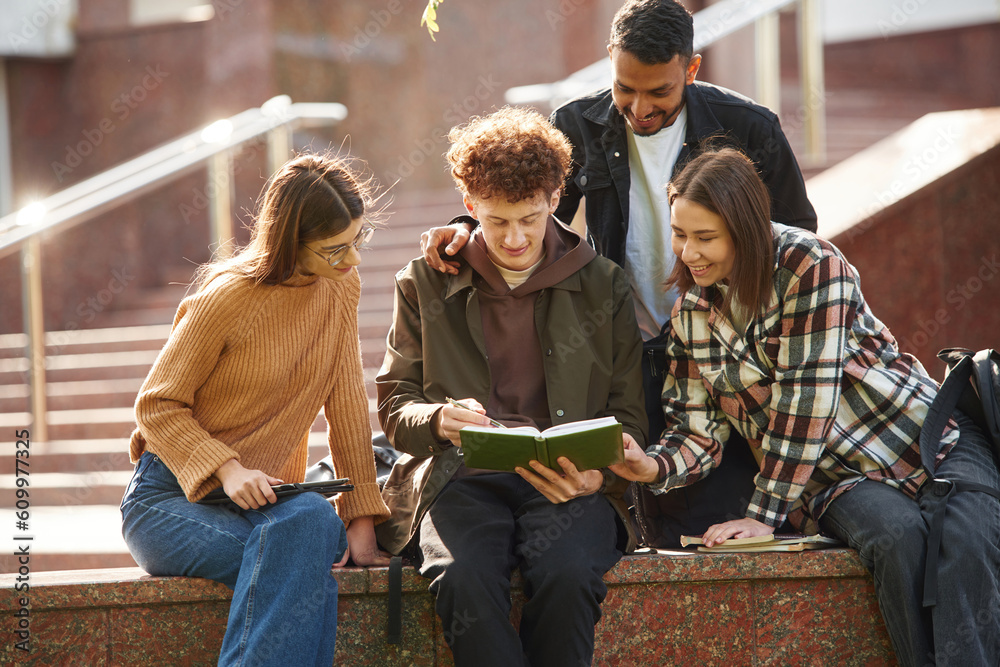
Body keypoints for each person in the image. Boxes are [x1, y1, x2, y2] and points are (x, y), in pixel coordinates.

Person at [418, 0, 817, 543]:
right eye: (625, 87)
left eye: (659, 92)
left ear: (691, 70)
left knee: (712, 516)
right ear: (610, 61)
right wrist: (467, 226)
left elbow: (793, 239)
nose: (639, 106)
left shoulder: (748, 127)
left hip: (717, 354)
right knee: (639, 511)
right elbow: (533, 218)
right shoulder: (577, 124)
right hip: (624, 346)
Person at [610, 147, 1000, 667]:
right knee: (897, 538)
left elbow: (806, 398)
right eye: (680, 234)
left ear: (745, 230)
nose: (688, 252)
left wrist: (763, 516)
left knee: (967, 542)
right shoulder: (691, 316)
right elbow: (697, 432)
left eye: (705, 238)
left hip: (928, 438)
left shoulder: (809, 263)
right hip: (834, 479)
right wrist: (650, 465)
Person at [375, 107, 647, 667]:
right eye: (497, 221)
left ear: (553, 199)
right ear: (470, 206)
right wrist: (437, 420)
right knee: (461, 578)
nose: (515, 237)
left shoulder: (603, 284)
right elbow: (395, 406)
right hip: (458, 479)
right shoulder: (424, 281)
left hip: (567, 481)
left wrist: (599, 473)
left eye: (529, 217)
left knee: (570, 574)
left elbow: (629, 413)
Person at [120, 154, 392, 666]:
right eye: (335, 248)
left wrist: (359, 517)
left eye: (359, 240)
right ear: (290, 240)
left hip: (271, 502)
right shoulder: (227, 297)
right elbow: (156, 405)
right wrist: (227, 467)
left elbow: (348, 401)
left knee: (313, 524)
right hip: (169, 499)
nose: (352, 260)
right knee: (303, 550)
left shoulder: (340, 286)